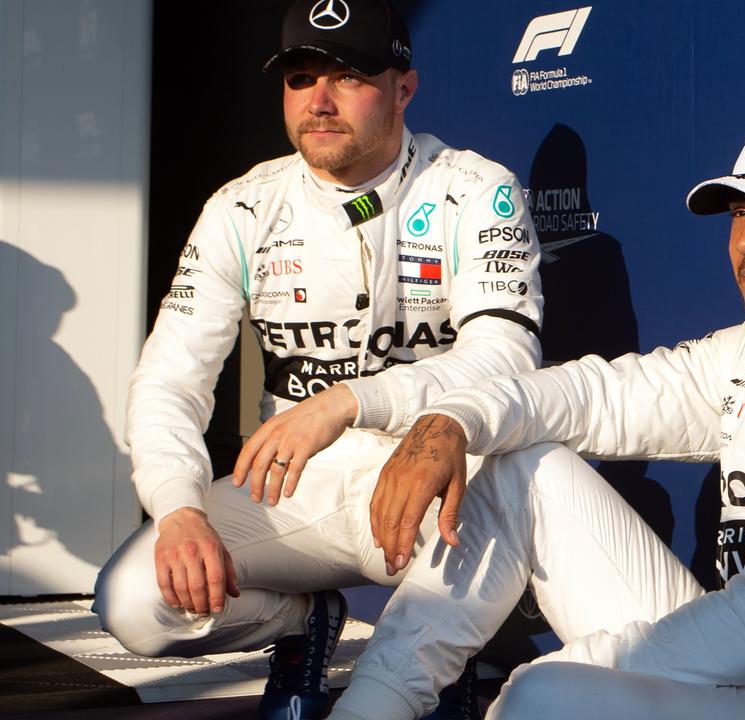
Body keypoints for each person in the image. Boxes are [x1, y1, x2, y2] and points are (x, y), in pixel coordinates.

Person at [325, 109, 745, 720]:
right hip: (734, 677)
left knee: (546, 695)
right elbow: (599, 395)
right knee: (523, 469)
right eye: (741, 213)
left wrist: (573, 672)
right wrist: (455, 419)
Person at [92, 1, 543, 718]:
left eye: (350, 76)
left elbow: (508, 355)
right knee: (135, 599)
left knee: (526, 506)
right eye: (302, 78)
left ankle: (442, 655)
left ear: (405, 88)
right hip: (295, 489)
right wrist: (176, 508)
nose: (320, 102)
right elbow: (169, 379)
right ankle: (307, 626)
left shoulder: (474, 189)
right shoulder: (243, 207)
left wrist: (349, 403)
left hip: (432, 483)